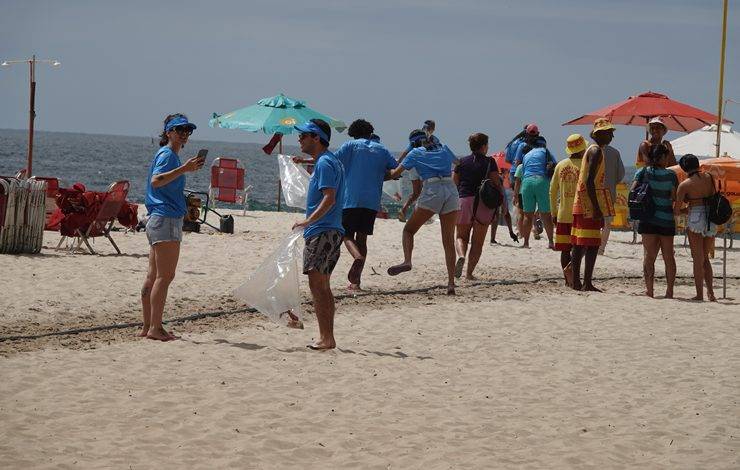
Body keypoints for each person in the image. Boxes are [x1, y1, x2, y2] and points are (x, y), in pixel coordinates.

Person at [141, 114, 205, 341]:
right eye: (180, 130)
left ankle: (148, 325)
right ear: (169, 132)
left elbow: (162, 185)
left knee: (154, 275)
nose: (184, 134)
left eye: (187, 131)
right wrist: (183, 170)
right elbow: (156, 181)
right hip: (165, 218)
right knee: (164, 276)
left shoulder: (169, 155)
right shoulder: (168, 154)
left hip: (160, 217)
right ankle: (155, 328)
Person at [291, 119, 345, 349]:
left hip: (322, 230)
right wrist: (304, 161)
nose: (299, 139)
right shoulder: (329, 160)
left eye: (303, 135)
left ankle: (326, 338)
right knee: (323, 285)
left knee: (318, 286)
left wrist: (307, 221)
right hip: (331, 230)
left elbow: (329, 197)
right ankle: (327, 336)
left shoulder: (324, 164)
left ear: (316, 137)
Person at [387, 130, 460, 295]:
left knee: (409, 230)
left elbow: (395, 173)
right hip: (450, 189)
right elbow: (458, 164)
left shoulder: (415, 152)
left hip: (432, 190)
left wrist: (380, 174)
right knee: (448, 240)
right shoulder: (444, 148)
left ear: (413, 143)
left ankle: (407, 261)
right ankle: (450, 284)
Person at [334, 119, 398, 290]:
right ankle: (356, 282)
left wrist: (304, 160)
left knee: (345, 234)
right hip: (372, 201)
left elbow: (331, 161)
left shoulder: (350, 146)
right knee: (362, 238)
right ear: (370, 132)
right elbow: (395, 171)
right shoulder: (382, 149)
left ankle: (357, 257)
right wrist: (379, 175)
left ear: (353, 133)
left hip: (351, 198)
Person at [570, 118, 616, 292]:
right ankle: (586, 282)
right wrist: (597, 208)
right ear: (598, 134)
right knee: (592, 244)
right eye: (607, 132)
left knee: (579, 244)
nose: (611, 136)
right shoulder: (596, 151)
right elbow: (590, 181)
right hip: (588, 203)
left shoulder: (591, 149)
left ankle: (577, 282)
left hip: (581, 201)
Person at [452, 133, 503, 280]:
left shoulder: (461, 162)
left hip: (464, 201)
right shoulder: (490, 162)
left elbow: (454, 182)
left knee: (461, 236)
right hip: (483, 203)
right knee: (477, 242)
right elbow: (496, 182)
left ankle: (461, 255)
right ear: (484, 146)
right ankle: (469, 273)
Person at [632, 144, 678, 298]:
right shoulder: (671, 175)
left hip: (648, 219)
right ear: (663, 157)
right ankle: (669, 291)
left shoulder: (642, 172)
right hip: (666, 220)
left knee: (649, 257)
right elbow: (674, 197)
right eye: (667, 156)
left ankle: (650, 290)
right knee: (668, 257)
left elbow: (633, 192)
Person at [675, 154, 717, 301]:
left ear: (684, 168)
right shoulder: (709, 177)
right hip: (711, 217)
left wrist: (687, 208)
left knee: (697, 259)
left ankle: (699, 294)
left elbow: (676, 211)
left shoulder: (685, 185)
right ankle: (711, 293)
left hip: (696, 216)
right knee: (706, 258)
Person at [549, 134, 586, 287]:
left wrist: (553, 212)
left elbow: (552, 191)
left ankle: (567, 280)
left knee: (565, 249)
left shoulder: (560, 165)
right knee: (581, 246)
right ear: (582, 148)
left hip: (563, 213)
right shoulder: (585, 165)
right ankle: (574, 275)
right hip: (580, 213)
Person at [397, 120, 441, 222]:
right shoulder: (432, 139)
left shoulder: (416, 137)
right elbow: (438, 151)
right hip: (423, 166)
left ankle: (403, 210)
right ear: (433, 128)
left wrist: (398, 162)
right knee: (425, 191)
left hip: (412, 166)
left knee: (416, 192)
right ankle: (423, 216)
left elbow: (406, 151)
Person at [519, 139, 556, 248]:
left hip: (527, 183)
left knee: (527, 215)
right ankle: (550, 242)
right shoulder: (545, 152)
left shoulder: (526, 155)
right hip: (541, 181)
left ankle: (526, 243)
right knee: (546, 215)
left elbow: (523, 171)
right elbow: (554, 165)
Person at [598, 122, 626, 255]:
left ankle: (592, 245)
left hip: (593, 193)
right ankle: (601, 248)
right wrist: (611, 182)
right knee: (607, 223)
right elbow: (620, 174)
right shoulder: (615, 152)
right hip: (608, 193)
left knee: (593, 221)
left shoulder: (589, 150)